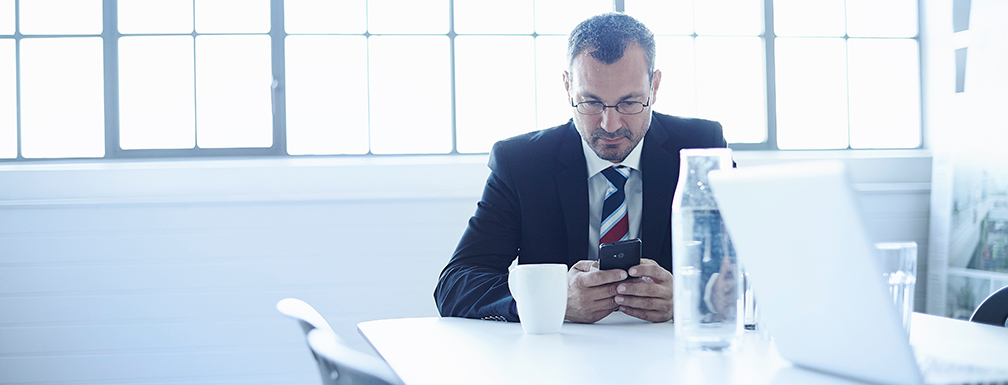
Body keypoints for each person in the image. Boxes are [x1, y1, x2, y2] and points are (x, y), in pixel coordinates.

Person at [434, 12, 729, 324]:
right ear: (567, 86)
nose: (610, 124)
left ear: (654, 86)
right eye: (591, 103)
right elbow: (456, 284)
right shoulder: (521, 163)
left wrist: (688, 295)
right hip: (556, 359)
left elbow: (749, 264)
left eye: (630, 103)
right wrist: (551, 300)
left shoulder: (702, 146)